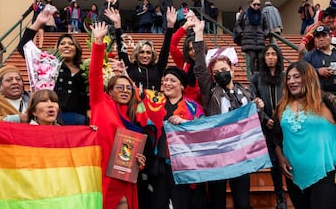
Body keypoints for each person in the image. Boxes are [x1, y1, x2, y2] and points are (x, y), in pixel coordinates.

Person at [193, 14, 265, 209]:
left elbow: (254, 122)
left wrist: (258, 108)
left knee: (243, 202)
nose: (220, 74)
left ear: (232, 69)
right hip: (217, 155)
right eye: (216, 73)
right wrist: (199, 34)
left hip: (242, 155)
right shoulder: (210, 92)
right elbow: (200, 68)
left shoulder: (246, 92)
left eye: (223, 69)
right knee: (217, 202)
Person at [89, 21, 147, 209]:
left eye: (128, 88)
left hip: (124, 174)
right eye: (119, 87)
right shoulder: (100, 102)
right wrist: (98, 42)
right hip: (100, 170)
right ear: (110, 90)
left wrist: (140, 160)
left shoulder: (134, 115)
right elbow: (95, 74)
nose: (124, 91)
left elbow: (135, 151)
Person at [273, 61, 336, 208]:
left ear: (308, 77)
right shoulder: (282, 106)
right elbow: (275, 137)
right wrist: (280, 158)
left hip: (327, 175)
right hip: (294, 177)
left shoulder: (327, 101)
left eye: (296, 77)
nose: (291, 81)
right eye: (288, 78)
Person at [141, 66, 206, 209]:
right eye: (165, 80)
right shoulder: (153, 102)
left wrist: (186, 123)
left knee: (181, 203)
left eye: (173, 80)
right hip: (159, 164)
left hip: (184, 166)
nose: (167, 83)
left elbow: (203, 130)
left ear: (182, 86)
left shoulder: (193, 107)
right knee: (157, 203)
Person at [18, 8, 89, 125]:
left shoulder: (85, 69)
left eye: (71, 44)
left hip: (79, 119)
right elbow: (23, 47)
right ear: (57, 48)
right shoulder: (49, 63)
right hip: (53, 117)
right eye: (62, 44)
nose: (67, 46)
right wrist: (38, 23)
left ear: (76, 49)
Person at [249, 44, 287, 209]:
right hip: (268, 127)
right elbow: (253, 100)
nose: (270, 57)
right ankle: (280, 196)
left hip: (286, 125)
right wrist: (264, 118)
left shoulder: (285, 77)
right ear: (263, 58)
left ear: (278, 57)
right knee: (274, 161)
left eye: (273, 54)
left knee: (292, 158)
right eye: (267, 54)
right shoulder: (256, 78)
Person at [105, 7, 176, 91]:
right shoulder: (130, 67)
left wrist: (170, 26)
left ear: (152, 55)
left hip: (154, 103)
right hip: (134, 103)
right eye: (141, 52)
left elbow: (165, 50)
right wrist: (117, 26)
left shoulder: (158, 68)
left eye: (148, 52)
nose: (145, 55)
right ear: (137, 54)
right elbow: (122, 50)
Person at [169, 16, 202, 104]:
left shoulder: (207, 62)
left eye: (195, 48)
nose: (193, 52)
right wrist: (185, 27)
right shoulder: (184, 63)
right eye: (190, 49)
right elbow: (172, 45)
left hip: (204, 107)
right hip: (186, 106)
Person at [235, 0, 268, 74]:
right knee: (252, 57)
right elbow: (237, 25)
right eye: (254, 4)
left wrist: (264, 34)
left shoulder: (262, 15)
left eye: (258, 4)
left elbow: (266, 27)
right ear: (250, 4)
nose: (256, 6)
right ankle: (253, 75)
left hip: (259, 39)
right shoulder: (245, 13)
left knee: (260, 58)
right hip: (248, 39)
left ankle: (259, 76)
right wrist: (241, 33)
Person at [302, 26, 336, 95]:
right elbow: (301, 72)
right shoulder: (309, 56)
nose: (321, 39)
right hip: (319, 95)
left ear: (330, 37)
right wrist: (317, 71)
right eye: (318, 37)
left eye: (324, 36)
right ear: (314, 40)